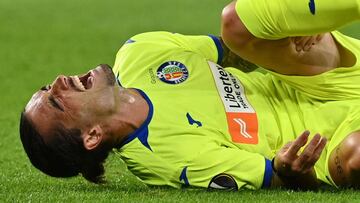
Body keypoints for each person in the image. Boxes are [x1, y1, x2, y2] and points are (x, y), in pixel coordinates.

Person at [19, 0, 360, 190]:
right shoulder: (164, 158)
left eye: (48, 86)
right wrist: (295, 172)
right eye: (56, 100)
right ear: (91, 136)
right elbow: (277, 177)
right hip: (327, 140)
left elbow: (239, 48)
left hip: (315, 81)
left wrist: (301, 21)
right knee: (356, 157)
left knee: (237, 21)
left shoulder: (140, 52)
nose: (60, 80)